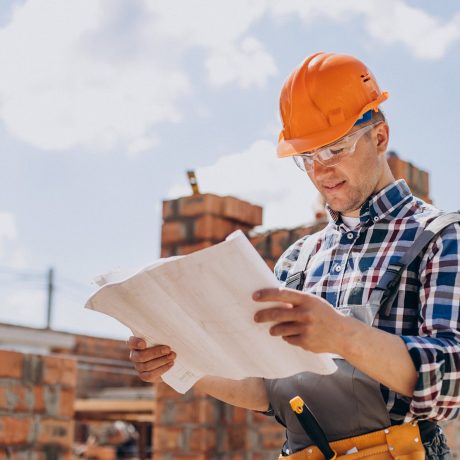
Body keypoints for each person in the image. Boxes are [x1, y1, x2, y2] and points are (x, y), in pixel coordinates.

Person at [127, 52, 460, 458]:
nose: (321, 171)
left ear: (379, 137)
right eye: (307, 158)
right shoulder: (300, 259)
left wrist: (342, 335)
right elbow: (269, 389)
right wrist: (181, 362)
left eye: (335, 149)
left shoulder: (440, 237)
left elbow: (451, 380)